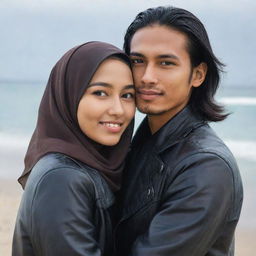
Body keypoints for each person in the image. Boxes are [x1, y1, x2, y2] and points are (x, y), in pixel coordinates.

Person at [114, 6, 243, 256]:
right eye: (137, 61)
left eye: (166, 63)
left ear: (197, 74)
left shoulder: (205, 166)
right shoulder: (136, 143)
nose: (147, 77)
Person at [12, 41, 135, 256]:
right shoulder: (61, 178)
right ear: (68, 95)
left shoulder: (94, 166)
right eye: (100, 93)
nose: (118, 109)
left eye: (127, 95)